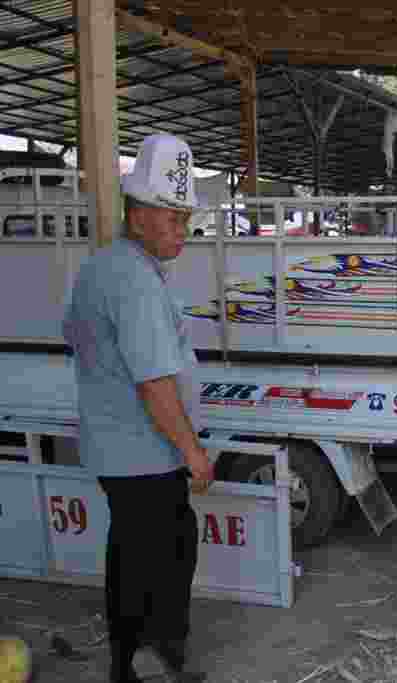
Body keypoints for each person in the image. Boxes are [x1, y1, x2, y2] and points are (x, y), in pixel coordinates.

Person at [62, 133, 212, 683]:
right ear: (140, 215)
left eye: (186, 218)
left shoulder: (107, 266)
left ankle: (138, 661)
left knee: (145, 552)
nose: (183, 230)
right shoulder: (134, 280)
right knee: (156, 560)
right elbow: (154, 383)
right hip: (143, 452)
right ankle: (145, 663)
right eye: (174, 218)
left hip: (125, 447)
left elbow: (76, 337)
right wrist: (192, 451)